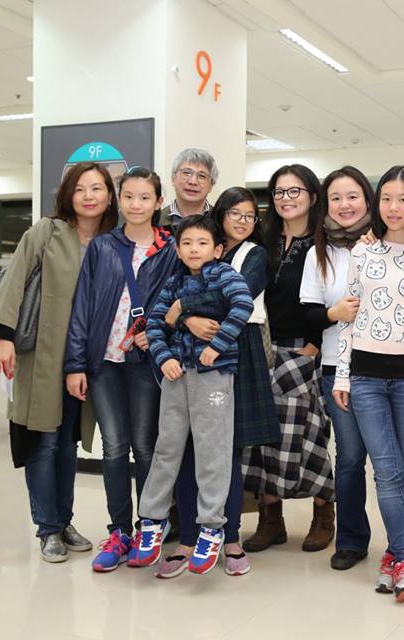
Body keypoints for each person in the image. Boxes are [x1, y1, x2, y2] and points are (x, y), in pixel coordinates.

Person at [0, 161, 119, 562]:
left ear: (109, 195)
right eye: (80, 189)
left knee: (67, 444)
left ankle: (63, 520)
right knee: (43, 441)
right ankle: (47, 528)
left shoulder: (113, 240)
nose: (89, 196)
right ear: (68, 195)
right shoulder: (46, 231)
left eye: (97, 188)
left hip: (84, 359)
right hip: (40, 356)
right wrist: (3, 338)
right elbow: (14, 282)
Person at [332, 165, 404, 602]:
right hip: (365, 377)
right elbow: (349, 317)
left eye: (403, 199)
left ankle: (398, 558)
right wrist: (343, 374)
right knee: (386, 470)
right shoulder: (362, 253)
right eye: (386, 199)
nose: (393, 208)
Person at [157, 187, 281, 579]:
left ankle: (230, 539)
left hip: (237, 350)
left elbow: (230, 300)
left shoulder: (255, 255)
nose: (243, 221)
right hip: (188, 356)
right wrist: (185, 318)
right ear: (221, 216)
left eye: (250, 215)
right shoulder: (195, 251)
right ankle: (189, 539)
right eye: (235, 213)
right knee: (188, 449)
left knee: (226, 449)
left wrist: (183, 310)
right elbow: (170, 307)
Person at [64, 167, 179, 572]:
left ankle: (150, 526)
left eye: (145, 197)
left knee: (146, 446)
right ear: (119, 200)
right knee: (114, 447)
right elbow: (82, 305)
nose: (136, 204)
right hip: (104, 362)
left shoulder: (170, 249)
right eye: (128, 196)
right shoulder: (103, 247)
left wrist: (160, 330)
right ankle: (119, 532)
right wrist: (75, 363)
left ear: (158, 202)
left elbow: (179, 301)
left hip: (146, 362)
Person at [128, 214, 253, 575]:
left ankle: (212, 527)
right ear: (178, 250)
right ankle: (151, 522)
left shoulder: (226, 276)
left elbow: (243, 307)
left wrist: (216, 345)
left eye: (202, 243)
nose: (194, 249)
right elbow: (155, 323)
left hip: (213, 377)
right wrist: (164, 358)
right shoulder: (174, 283)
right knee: (166, 448)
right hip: (176, 376)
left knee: (213, 452)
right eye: (186, 243)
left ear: (217, 249)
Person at [242, 164, 336, 553]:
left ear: (312, 196)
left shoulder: (327, 241)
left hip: (305, 349)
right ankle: (271, 520)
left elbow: (332, 297)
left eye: (294, 191)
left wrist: (312, 345)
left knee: (310, 434)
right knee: (263, 438)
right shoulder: (262, 240)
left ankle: (323, 516)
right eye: (279, 192)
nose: (286, 199)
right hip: (262, 346)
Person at [300, 166, 373, 571]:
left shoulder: (387, 242)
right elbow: (309, 314)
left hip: (387, 366)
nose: (345, 205)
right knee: (349, 459)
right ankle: (350, 540)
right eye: (336, 198)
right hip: (336, 367)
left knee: (391, 462)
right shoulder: (319, 253)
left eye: (352, 196)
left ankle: (403, 546)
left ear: (367, 199)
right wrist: (335, 312)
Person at [155, 148, 217, 231]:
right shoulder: (155, 221)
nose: (193, 182)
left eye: (201, 176)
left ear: (211, 186)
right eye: (187, 173)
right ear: (173, 178)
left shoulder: (221, 221)